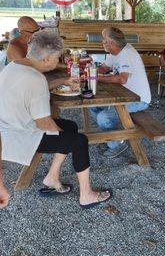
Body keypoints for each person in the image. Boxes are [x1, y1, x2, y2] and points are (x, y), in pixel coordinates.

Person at [0, 30, 111, 210]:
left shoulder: (15, 65)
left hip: (8, 129)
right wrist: (64, 139)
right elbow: (43, 123)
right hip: (18, 137)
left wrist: (62, 80)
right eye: (57, 58)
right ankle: (86, 195)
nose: (59, 61)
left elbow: (30, 90)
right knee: (79, 141)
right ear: (46, 59)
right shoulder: (35, 79)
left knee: (71, 126)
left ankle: (52, 177)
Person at [90, 27, 151, 158]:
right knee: (93, 106)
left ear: (112, 42)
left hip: (138, 100)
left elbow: (122, 79)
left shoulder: (127, 54)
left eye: (104, 40)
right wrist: (89, 69)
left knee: (104, 117)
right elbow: (104, 68)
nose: (102, 42)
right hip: (124, 96)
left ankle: (117, 143)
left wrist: (95, 77)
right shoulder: (115, 52)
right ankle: (110, 136)